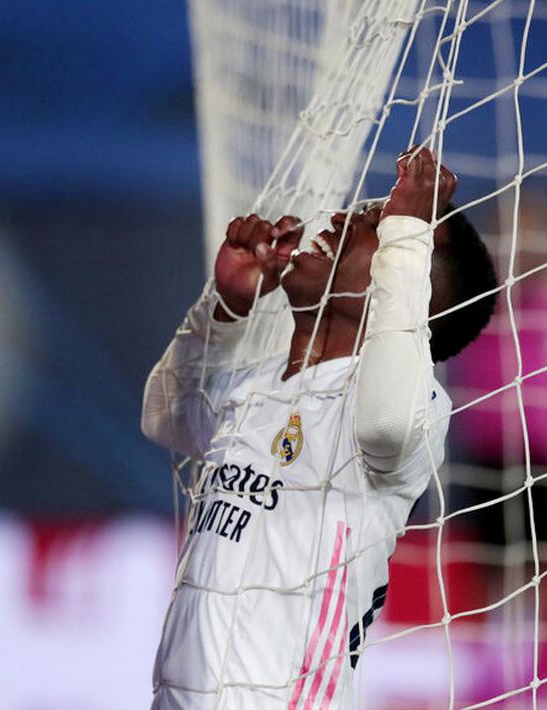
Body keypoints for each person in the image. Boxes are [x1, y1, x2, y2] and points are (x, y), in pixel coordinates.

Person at [141, 147, 496, 709]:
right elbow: (164, 412)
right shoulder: (256, 384)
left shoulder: (415, 406)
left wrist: (406, 231)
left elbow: (384, 424)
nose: (341, 218)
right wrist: (225, 312)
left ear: (406, 277)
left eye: (373, 224)